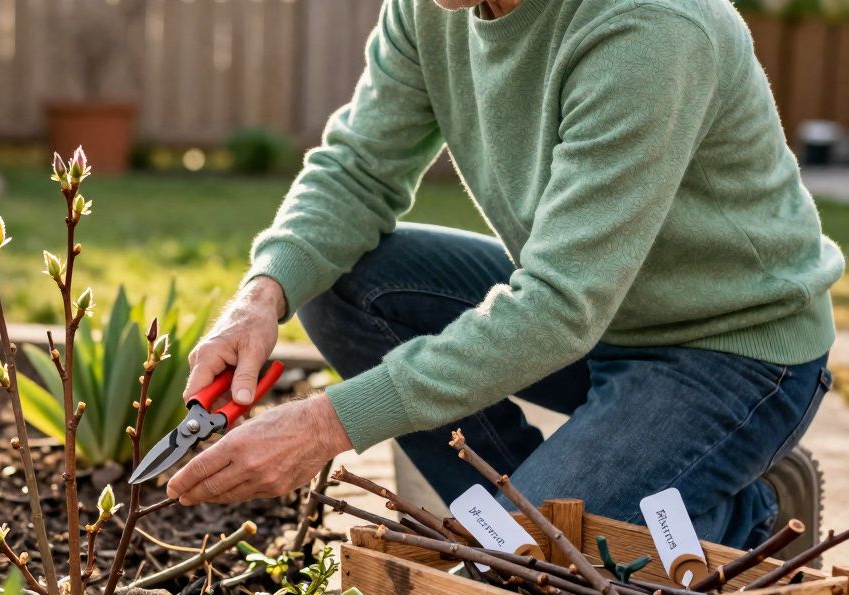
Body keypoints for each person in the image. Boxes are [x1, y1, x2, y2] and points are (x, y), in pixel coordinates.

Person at [165, 0, 843, 549]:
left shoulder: (649, 27)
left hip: (729, 348)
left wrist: (326, 425)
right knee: (340, 287)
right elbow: (357, 171)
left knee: (534, 566)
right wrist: (262, 294)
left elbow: (558, 306)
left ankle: (745, 523)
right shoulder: (433, 10)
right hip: (589, 309)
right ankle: (537, 521)